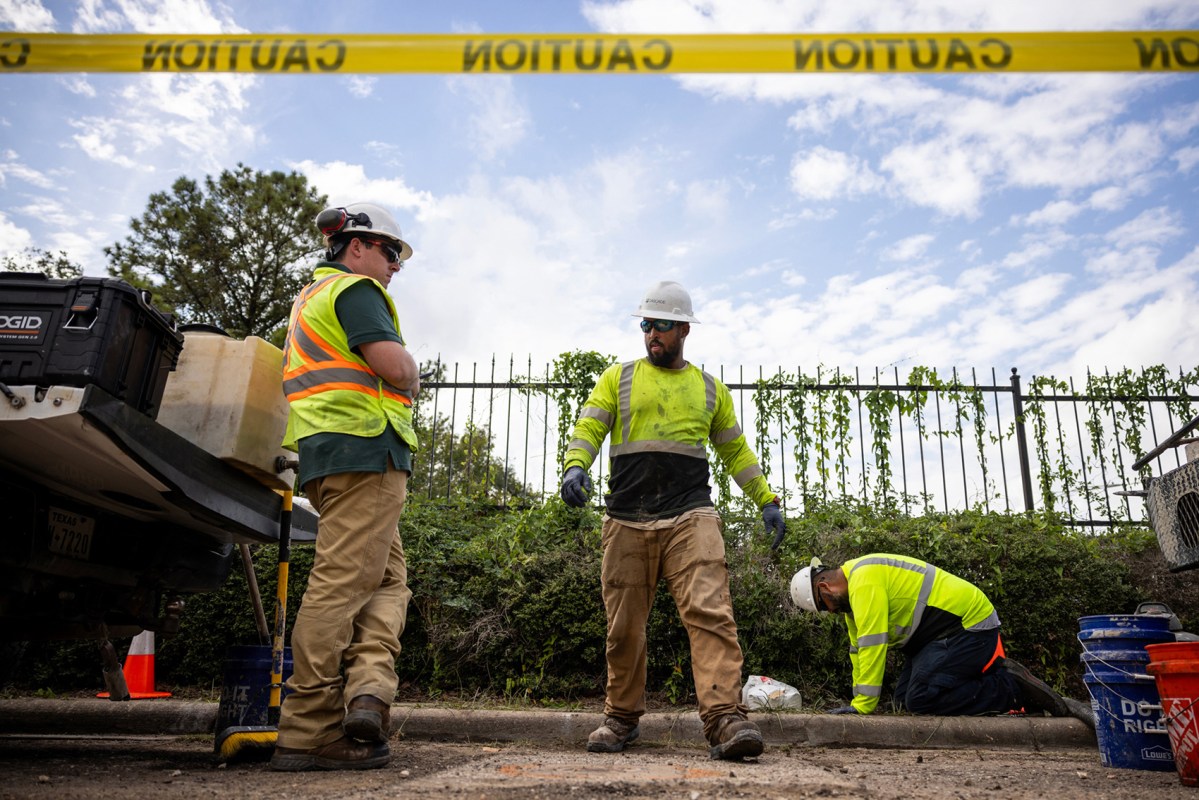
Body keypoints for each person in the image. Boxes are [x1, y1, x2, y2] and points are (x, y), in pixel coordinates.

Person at [559, 280, 787, 761]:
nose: (651, 334)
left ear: (683, 328)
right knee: (624, 627)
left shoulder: (708, 389)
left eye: (661, 325)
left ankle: (725, 717)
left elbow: (734, 450)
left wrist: (766, 498)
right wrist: (575, 465)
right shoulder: (618, 379)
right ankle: (620, 718)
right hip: (626, 517)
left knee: (710, 614)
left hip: (691, 515)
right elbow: (589, 425)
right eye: (645, 325)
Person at [270, 202, 421, 771]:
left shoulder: (308, 299)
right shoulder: (354, 292)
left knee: (386, 577)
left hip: (328, 455)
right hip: (366, 448)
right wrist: (410, 368)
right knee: (341, 584)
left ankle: (368, 693)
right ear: (356, 246)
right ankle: (309, 728)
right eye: (389, 253)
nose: (393, 268)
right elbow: (394, 367)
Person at [789, 553, 1095, 727]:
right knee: (903, 702)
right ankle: (984, 677)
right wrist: (858, 705)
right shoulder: (853, 600)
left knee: (920, 698)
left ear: (826, 589)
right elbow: (859, 652)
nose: (830, 612)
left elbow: (873, 645)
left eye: (824, 607)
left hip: (968, 627)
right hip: (940, 635)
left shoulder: (864, 582)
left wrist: (862, 708)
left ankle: (1011, 690)